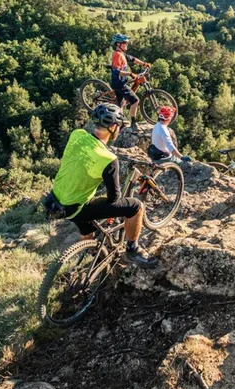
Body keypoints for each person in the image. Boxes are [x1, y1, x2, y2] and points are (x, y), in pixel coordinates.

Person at [50, 103, 158, 269]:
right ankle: (133, 249)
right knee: (135, 207)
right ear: (114, 127)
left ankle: (93, 254)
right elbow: (114, 199)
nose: (120, 130)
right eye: (120, 127)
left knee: (87, 228)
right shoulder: (108, 159)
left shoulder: (77, 134)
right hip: (76, 206)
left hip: (56, 200)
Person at [110, 33, 151, 129]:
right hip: (120, 84)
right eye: (124, 43)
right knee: (135, 101)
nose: (126, 45)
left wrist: (144, 64)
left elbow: (133, 59)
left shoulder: (122, 54)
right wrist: (130, 74)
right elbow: (116, 72)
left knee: (120, 104)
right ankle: (133, 122)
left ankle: (120, 123)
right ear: (118, 44)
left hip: (119, 82)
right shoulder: (117, 55)